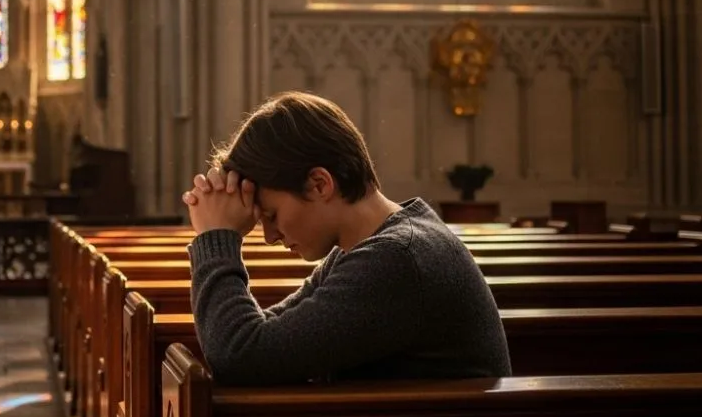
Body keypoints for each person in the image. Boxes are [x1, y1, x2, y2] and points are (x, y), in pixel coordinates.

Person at [181, 91, 511, 385]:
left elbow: (241, 356)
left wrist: (217, 237)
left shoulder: (397, 260)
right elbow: (262, 337)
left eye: (272, 215)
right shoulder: (370, 248)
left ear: (319, 184)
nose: (269, 236)